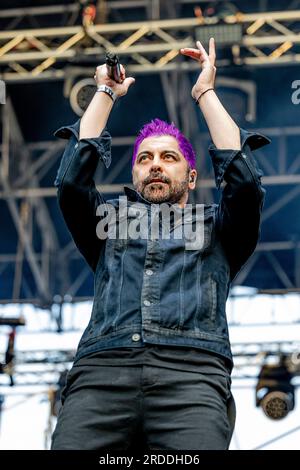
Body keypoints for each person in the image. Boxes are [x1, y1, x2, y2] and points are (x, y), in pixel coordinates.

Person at [51, 39, 270, 450]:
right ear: (135, 174)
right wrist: (104, 93)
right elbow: (71, 185)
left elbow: (243, 184)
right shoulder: (109, 223)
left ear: (190, 178)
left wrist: (205, 92)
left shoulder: (217, 228)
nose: (154, 163)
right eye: (145, 158)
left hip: (192, 377)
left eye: (169, 158)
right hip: (102, 373)